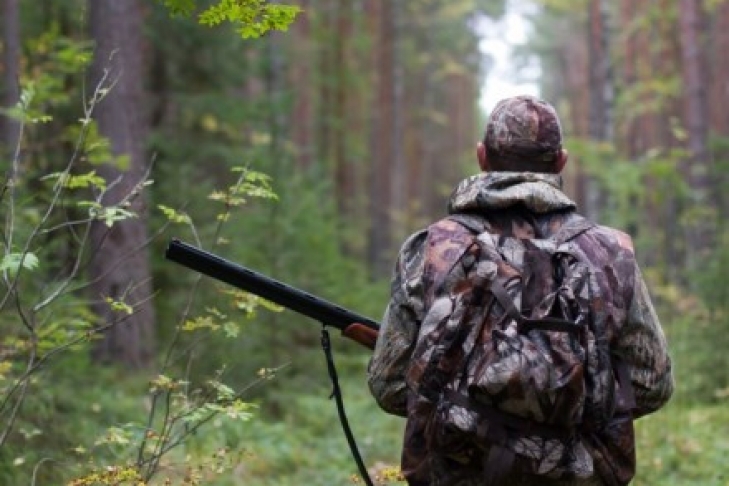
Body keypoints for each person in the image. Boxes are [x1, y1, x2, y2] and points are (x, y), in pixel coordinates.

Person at [367, 95, 674, 486]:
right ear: (561, 162)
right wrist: (569, 412)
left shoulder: (431, 249)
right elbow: (652, 384)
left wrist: (469, 416)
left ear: (482, 156)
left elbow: (389, 385)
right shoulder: (611, 252)